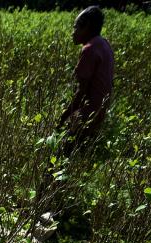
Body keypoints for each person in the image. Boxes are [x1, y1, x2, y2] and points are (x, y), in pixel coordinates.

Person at [58, 6, 114, 154]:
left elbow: (81, 93)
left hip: (87, 114)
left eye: (76, 27)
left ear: (87, 27)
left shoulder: (89, 49)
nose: (73, 33)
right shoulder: (104, 44)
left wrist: (63, 118)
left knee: (61, 155)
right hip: (99, 113)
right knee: (80, 155)